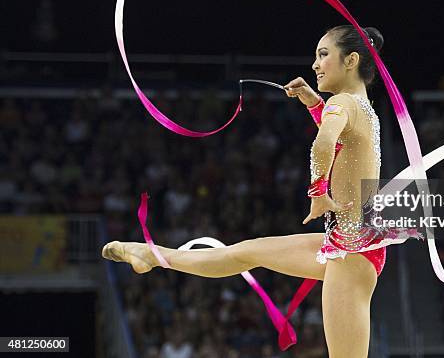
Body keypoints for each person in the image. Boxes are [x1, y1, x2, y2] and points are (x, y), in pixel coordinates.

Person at [102, 25, 402, 357]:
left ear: (352, 60)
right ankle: (155, 256)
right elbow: (344, 141)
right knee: (245, 252)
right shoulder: (360, 106)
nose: (315, 65)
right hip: (348, 243)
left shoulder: (343, 103)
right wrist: (314, 104)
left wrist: (318, 190)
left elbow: (325, 144)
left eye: (323, 54)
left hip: (351, 253)